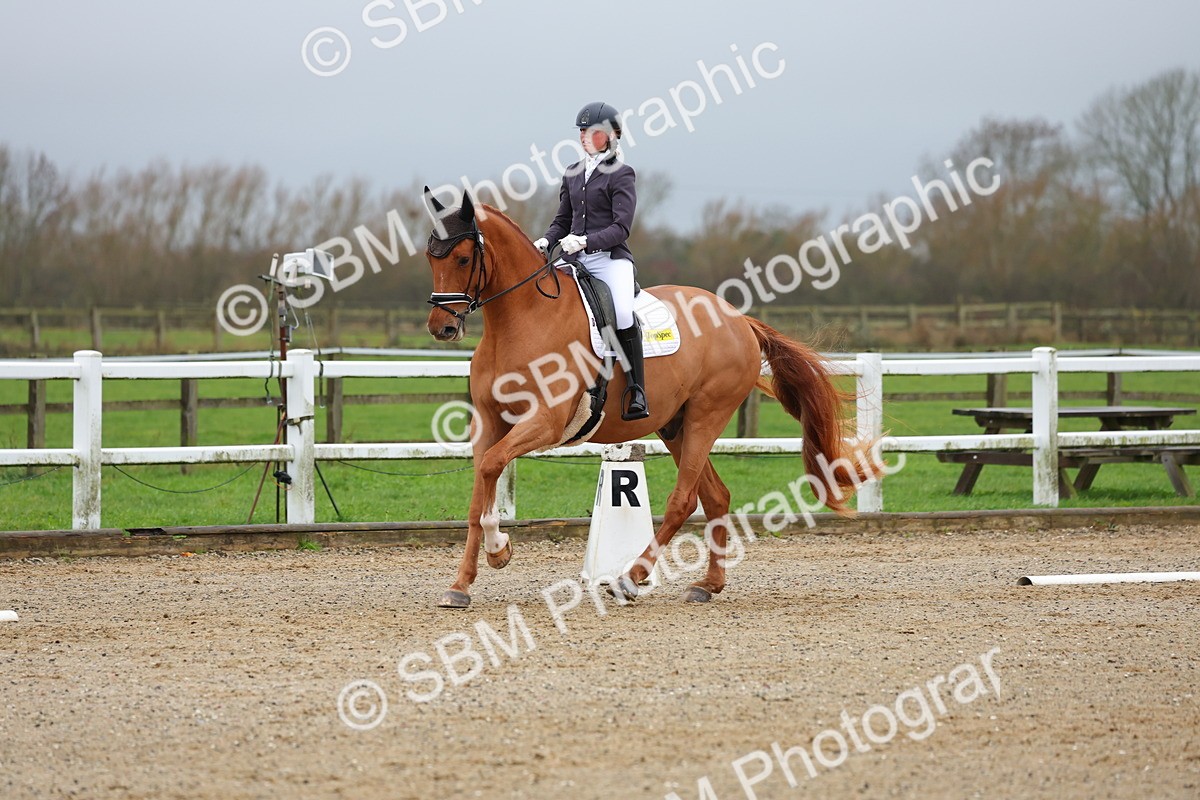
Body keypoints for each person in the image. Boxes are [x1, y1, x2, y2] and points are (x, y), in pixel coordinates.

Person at [533, 101, 648, 421]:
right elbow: (562, 220)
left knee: (623, 313)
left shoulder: (622, 174)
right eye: (583, 131)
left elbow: (621, 227)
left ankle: (636, 389)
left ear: (612, 136)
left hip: (609, 259)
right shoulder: (572, 173)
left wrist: (585, 240)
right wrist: (546, 240)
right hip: (573, 258)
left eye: (593, 132)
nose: (586, 137)